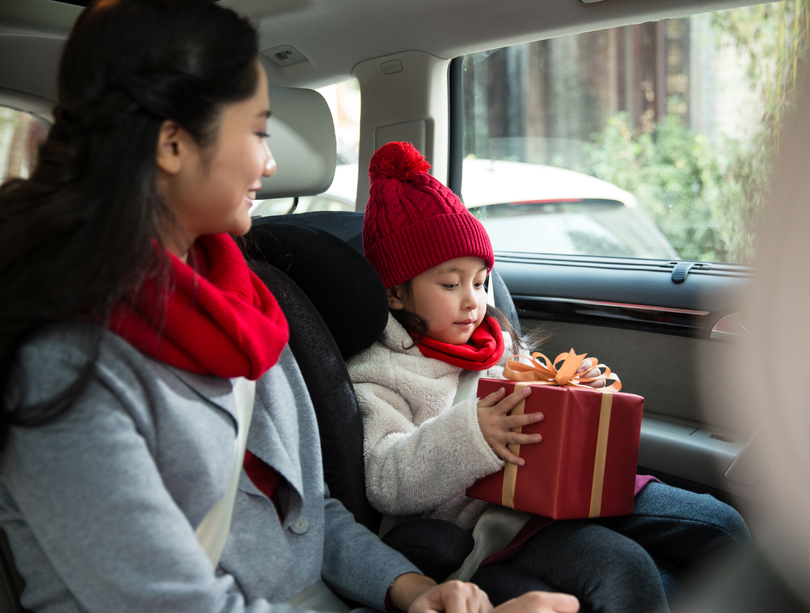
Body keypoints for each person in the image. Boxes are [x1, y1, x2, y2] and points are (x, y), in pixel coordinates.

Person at [0, 1, 580, 612]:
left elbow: (306, 513)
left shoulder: (244, 308)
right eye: (256, 133)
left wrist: (415, 593)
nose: (271, 164)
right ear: (172, 143)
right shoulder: (66, 367)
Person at [346, 141, 753, 612]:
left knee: (721, 525)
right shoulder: (380, 372)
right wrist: (473, 431)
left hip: (567, 491)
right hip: (495, 522)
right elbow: (386, 480)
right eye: (450, 284)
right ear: (396, 294)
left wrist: (575, 391)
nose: (472, 300)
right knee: (626, 569)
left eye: (481, 282)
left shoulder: (495, 341)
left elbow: (540, 407)